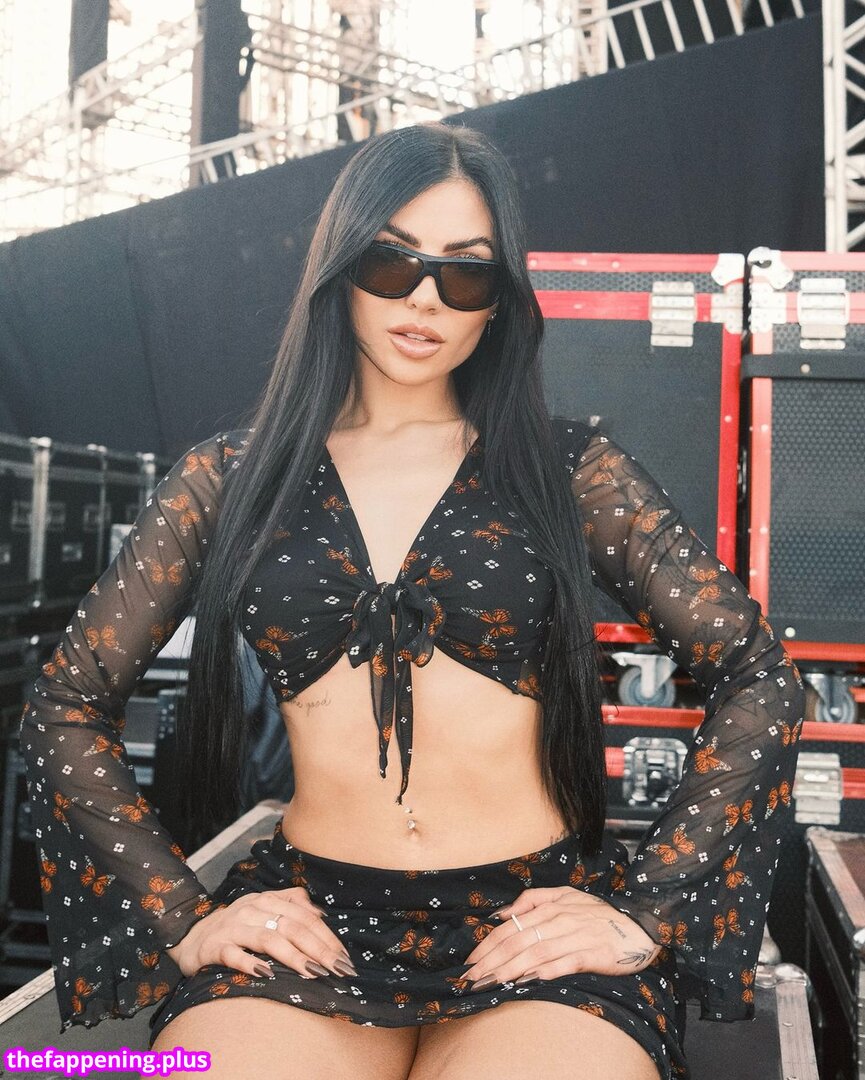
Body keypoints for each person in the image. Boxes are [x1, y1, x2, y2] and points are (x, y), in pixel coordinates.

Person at [20, 121, 805, 1080]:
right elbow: (64, 703)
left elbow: (758, 675)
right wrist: (181, 917)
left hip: (528, 929)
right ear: (340, 267)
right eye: (391, 262)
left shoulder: (568, 471)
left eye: (465, 273)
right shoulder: (229, 478)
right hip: (313, 926)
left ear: (498, 302)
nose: (424, 297)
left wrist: (645, 908)